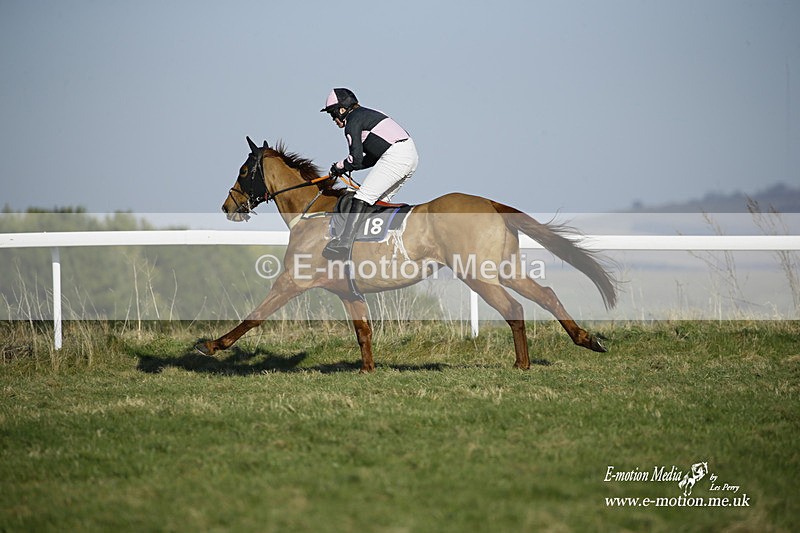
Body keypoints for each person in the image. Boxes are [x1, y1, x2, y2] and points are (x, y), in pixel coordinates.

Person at [320, 88, 418, 260]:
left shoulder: (352, 122)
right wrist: (346, 167)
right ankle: (374, 248)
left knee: (361, 198)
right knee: (377, 203)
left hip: (396, 156)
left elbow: (356, 159)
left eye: (332, 114)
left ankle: (344, 243)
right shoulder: (369, 113)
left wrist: (339, 167)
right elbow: (372, 158)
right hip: (410, 155)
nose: (333, 119)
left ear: (342, 109)